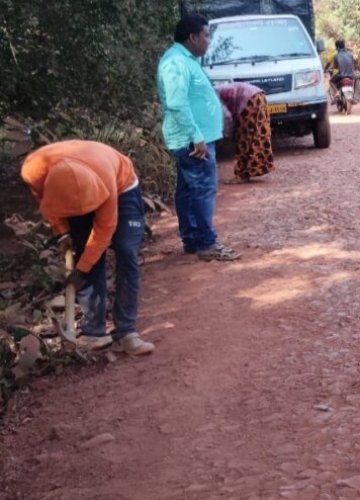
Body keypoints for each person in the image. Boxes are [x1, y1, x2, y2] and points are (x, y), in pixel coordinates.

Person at [21, 141, 155, 357]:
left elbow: (103, 232)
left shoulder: (107, 182)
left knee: (126, 251)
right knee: (85, 251)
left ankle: (126, 332)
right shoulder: (33, 170)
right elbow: (46, 200)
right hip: (75, 185)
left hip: (121, 188)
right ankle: (94, 332)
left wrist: (80, 270)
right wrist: (62, 231)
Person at [157, 13, 240, 261]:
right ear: (193, 37)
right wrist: (196, 136)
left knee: (187, 190)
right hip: (192, 141)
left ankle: (193, 239)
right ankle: (206, 243)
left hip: (194, 139)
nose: (208, 41)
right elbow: (176, 103)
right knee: (203, 189)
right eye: (206, 36)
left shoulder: (185, 59)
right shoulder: (176, 63)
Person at [216, 82, 275, 183]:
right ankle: (251, 170)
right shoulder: (211, 92)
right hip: (258, 95)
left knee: (244, 138)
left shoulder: (212, 96)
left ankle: (241, 175)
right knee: (256, 134)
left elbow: (227, 117)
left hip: (249, 99)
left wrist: (226, 136)